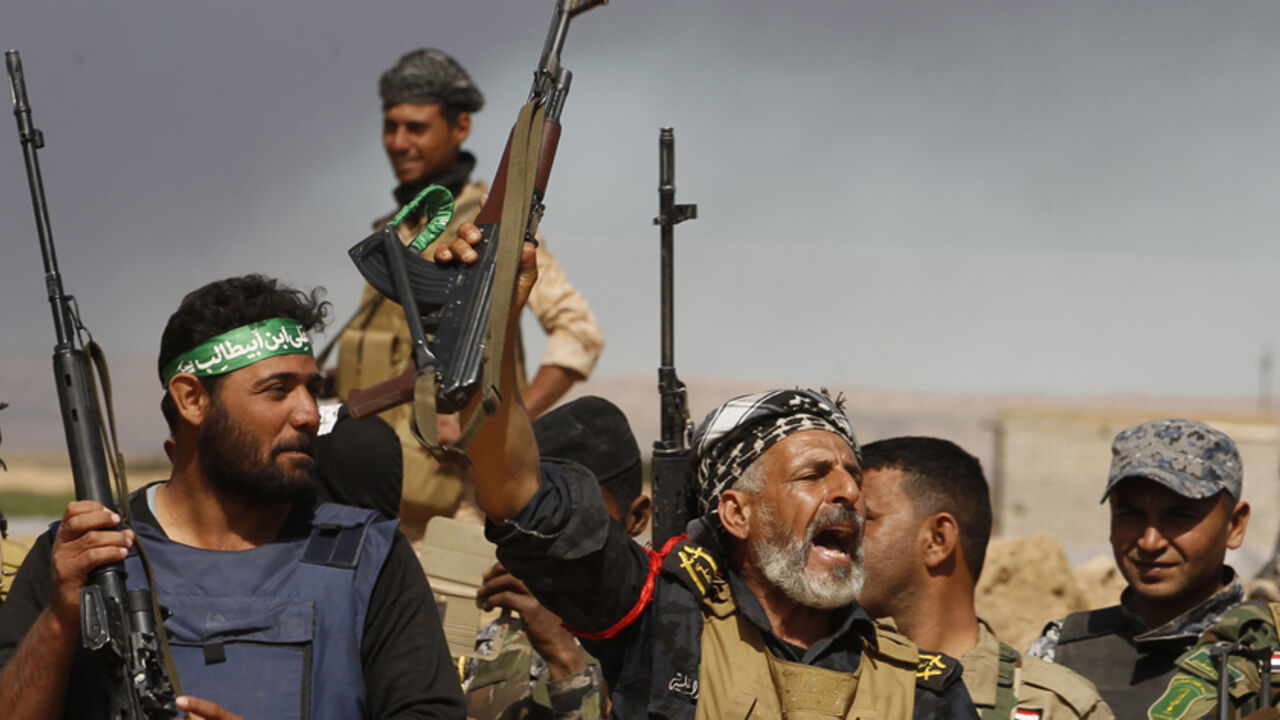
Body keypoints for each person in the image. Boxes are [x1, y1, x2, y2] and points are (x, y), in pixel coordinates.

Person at [438, 230, 978, 718]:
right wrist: (495, 326)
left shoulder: (923, 692)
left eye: (852, 474)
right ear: (737, 513)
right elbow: (520, 496)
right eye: (813, 474)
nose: (848, 492)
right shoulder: (661, 624)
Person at [0, 274, 464, 720]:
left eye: (312, 390)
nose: (307, 414)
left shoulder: (369, 558)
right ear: (192, 400)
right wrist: (61, 620)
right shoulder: (84, 556)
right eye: (277, 390)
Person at [333, 48, 604, 538]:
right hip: (378, 501)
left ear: (460, 128)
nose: (398, 142)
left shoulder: (487, 228)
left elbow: (579, 335)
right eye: (390, 127)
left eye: (416, 127)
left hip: (453, 511)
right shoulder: (398, 230)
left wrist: (483, 418)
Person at [858, 436, 1113, 720]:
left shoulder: (1054, 708)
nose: (840, 536)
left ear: (937, 540)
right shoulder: (825, 685)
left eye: (863, 519)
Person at [1027, 419, 1250, 719]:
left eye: (1179, 516)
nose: (1150, 541)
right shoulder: (1058, 652)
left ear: (1235, 526)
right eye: (1130, 516)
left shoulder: (1264, 653)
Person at [465, 395, 650, 720]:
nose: (552, 548)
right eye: (535, 525)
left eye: (584, 529)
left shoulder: (665, 631)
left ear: (636, 519)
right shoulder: (500, 629)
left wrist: (564, 659)